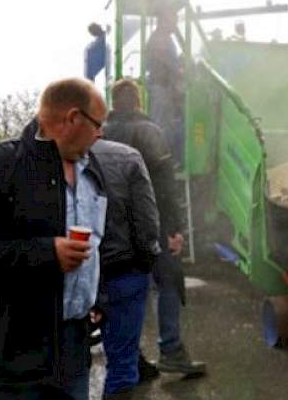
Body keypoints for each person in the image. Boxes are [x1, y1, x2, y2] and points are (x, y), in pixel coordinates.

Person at [0, 77, 108, 400]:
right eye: (98, 123)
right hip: (9, 354)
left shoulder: (92, 170)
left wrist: (99, 299)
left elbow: (98, 244)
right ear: (72, 118)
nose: (101, 133)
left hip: (72, 344)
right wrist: (44, 253)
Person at [103, 78, 206, 377]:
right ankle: (171, 350)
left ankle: (132, 357)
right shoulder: (149, 131)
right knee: (168, 283)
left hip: (114, 226)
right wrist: (176, 229)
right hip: (151, 221)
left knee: (127, 290)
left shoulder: (102, 132)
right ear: (138, 101)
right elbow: (164, 183)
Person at [90, 139, 161, 399]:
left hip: (77, 269)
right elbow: (147, 219)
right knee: (122, 366)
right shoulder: (127, 156)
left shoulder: (52, 154)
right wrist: (148, 258)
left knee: (70, 367)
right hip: (123, 269)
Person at [144, 10, 185, 162]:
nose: (175, 24)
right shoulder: (160, 39)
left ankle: (167, 159)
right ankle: (163, 161)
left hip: (163, 87)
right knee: (162, 126)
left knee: (168, 124)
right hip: (160, 86)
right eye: (173, 20)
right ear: (163, 21)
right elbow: (168, 63)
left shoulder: (164, 38)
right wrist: (180, 71)